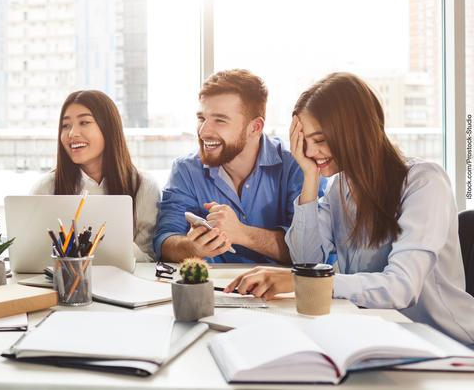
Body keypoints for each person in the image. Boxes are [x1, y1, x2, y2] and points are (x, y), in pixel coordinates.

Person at [226, 72, 474, 344]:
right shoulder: (339, 187)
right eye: (304, 141)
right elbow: (305, 260)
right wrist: (310, 177)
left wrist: (304, 282)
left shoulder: (424, 182)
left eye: (319, 140)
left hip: (446, 343)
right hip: (380, 337)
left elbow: (402, 287)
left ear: (354, 132)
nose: (309, 152)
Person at [154, 69, 319, 264]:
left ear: (255, 127)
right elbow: (164, 240)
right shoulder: (186, 169)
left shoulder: (296, 167)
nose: (204, 131)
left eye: (220, 120)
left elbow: (311, 253)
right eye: (201, 118)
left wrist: (242, 233)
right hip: (212, 290)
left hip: (281, 292)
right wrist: (192, 247)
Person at [30, 90, 159, 261]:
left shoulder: (143, 186)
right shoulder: (45, 188)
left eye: (84, 122)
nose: (72, 133)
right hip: (63, 284)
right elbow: (32, 258)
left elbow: (150, 258)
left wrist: (112, 243)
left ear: (108, 128)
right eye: (66, 125)